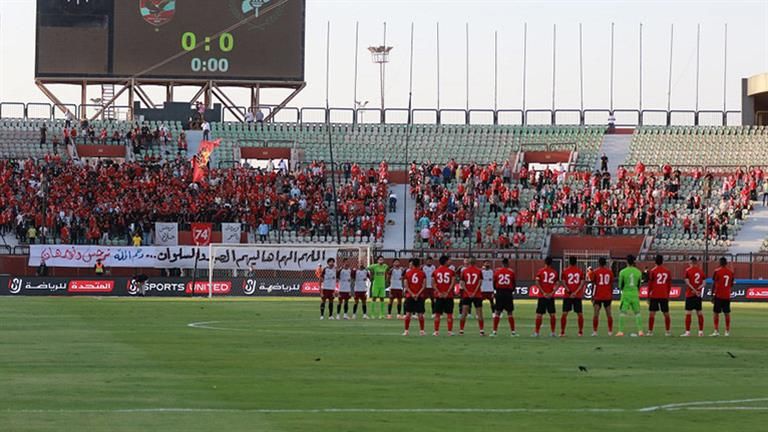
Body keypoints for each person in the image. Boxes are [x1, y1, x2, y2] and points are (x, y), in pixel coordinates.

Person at [616, 255, 644, 337]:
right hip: (635, 294)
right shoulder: (638, 272)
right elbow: (639, 285)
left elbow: (620, 285)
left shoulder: (622, 272)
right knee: (637, 313)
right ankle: (640, 331)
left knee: (622, 313)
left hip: (626, 294)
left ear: (627, 262)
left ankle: (621, 331)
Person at [647, 255, 673, 336]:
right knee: (666, 313)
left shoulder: (652, 271)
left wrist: (648, 295)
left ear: (655, 261)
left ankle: (650, 332)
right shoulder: (667, 271)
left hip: (654, 295)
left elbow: (650, 285)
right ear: (662, 261)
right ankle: (667, 331)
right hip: (664, 295)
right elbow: (669, 284)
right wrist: (668, 295)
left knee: (652, 313)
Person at [491, 258, 517, 337]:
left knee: (497, 312)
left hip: (499, 292)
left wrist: (497, 290)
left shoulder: (497, 272)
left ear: (502, 264)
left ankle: (494, 331)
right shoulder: (511, 272)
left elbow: (494, 283)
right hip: (508, 293)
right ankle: (513, 332)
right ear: (508, 264)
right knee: (510, 312)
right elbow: (514, 283)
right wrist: (510, 291)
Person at [560, 256, 585, 337]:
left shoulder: (565, 271)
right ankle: (580, 332)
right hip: (577, 296)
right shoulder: (580, 271)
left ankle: (562, 332)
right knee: (580, 314)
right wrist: (576, 292)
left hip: (567, 296)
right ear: (576, 262)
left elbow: (563, 282)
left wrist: (569, 291)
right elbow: (582, 283)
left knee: (564, 314)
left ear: (569, 262)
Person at [533, 256, 558, 337]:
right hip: (550, 296)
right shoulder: (554, 272)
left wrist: (543, 292)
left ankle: (537, 332)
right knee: (552, 314)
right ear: (551, 263)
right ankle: (553, 332)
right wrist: (552, 292)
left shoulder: (541, 271)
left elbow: (537, 282)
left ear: (545, 262)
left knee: (539, 314)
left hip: (542, 296)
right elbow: (557, 283)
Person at [459, 258, 485, 336]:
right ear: (475, 262)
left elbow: (462, 284)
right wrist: (474, 292)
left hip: (467, 295)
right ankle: (481, 331)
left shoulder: (464, 271)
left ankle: (461, 330)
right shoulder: (479, 271)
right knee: (479, 313)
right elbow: (479, 283)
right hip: (477, 295)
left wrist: (468, 292)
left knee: (464, 313)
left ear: (469, 263)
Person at [432, 255, 456, 336]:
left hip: (439, 296)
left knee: (437, 314)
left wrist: (438, 292)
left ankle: (436, 331)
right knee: (449, 314)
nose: (451, 261)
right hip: (448, 296)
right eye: (449, 260)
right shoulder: (451, 272)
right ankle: (449, 331)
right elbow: (452, 283)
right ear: (445, 261)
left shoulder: (435, 271)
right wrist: (447, 292)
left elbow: (433, 284)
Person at [682, 256, 706, 337]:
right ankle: (701, 332)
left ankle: (687, 332)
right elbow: (704, 283)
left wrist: (694, 290)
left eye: (689, 262)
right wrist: (698, 290)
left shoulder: (687, 270)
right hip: (698, 295)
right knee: (699, 312)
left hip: (690, 294)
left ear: (691, 263)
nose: (689, 264)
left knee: (688, 313)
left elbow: (687, 282)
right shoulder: (701, 271)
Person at [403, 258, 427, 336]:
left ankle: (406, 331)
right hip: (419, 296)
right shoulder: (422, 273)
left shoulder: (408, 273)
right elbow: (424, 286)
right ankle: (422, 331)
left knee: (408, 314)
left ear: (412, 264)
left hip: (410, 296)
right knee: (420, 314)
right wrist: (417, 294)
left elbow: (406, 286)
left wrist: (412, 294)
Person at [711, 257, 735, 336]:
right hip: (727, 295)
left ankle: (716, 331)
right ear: (726, 263)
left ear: (720, 263)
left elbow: (714, 283)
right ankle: (727, 331)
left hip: (718, 295)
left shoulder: (716, 271)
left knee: (716, 313)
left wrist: (712, 294)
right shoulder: (730, 272)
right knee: (727, 313)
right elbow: (731, 284)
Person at [591, 257, 614, 336]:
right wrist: (611, 294)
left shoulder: (595, 272)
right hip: (607, 296)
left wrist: (592, 296)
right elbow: (611, 284)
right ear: (605, 263)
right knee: (609, 314)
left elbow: (593, 284)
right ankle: (610, 331)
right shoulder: (610, 272)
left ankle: (595, 331)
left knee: (596, 314)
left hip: (598, 296)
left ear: (599, 263)